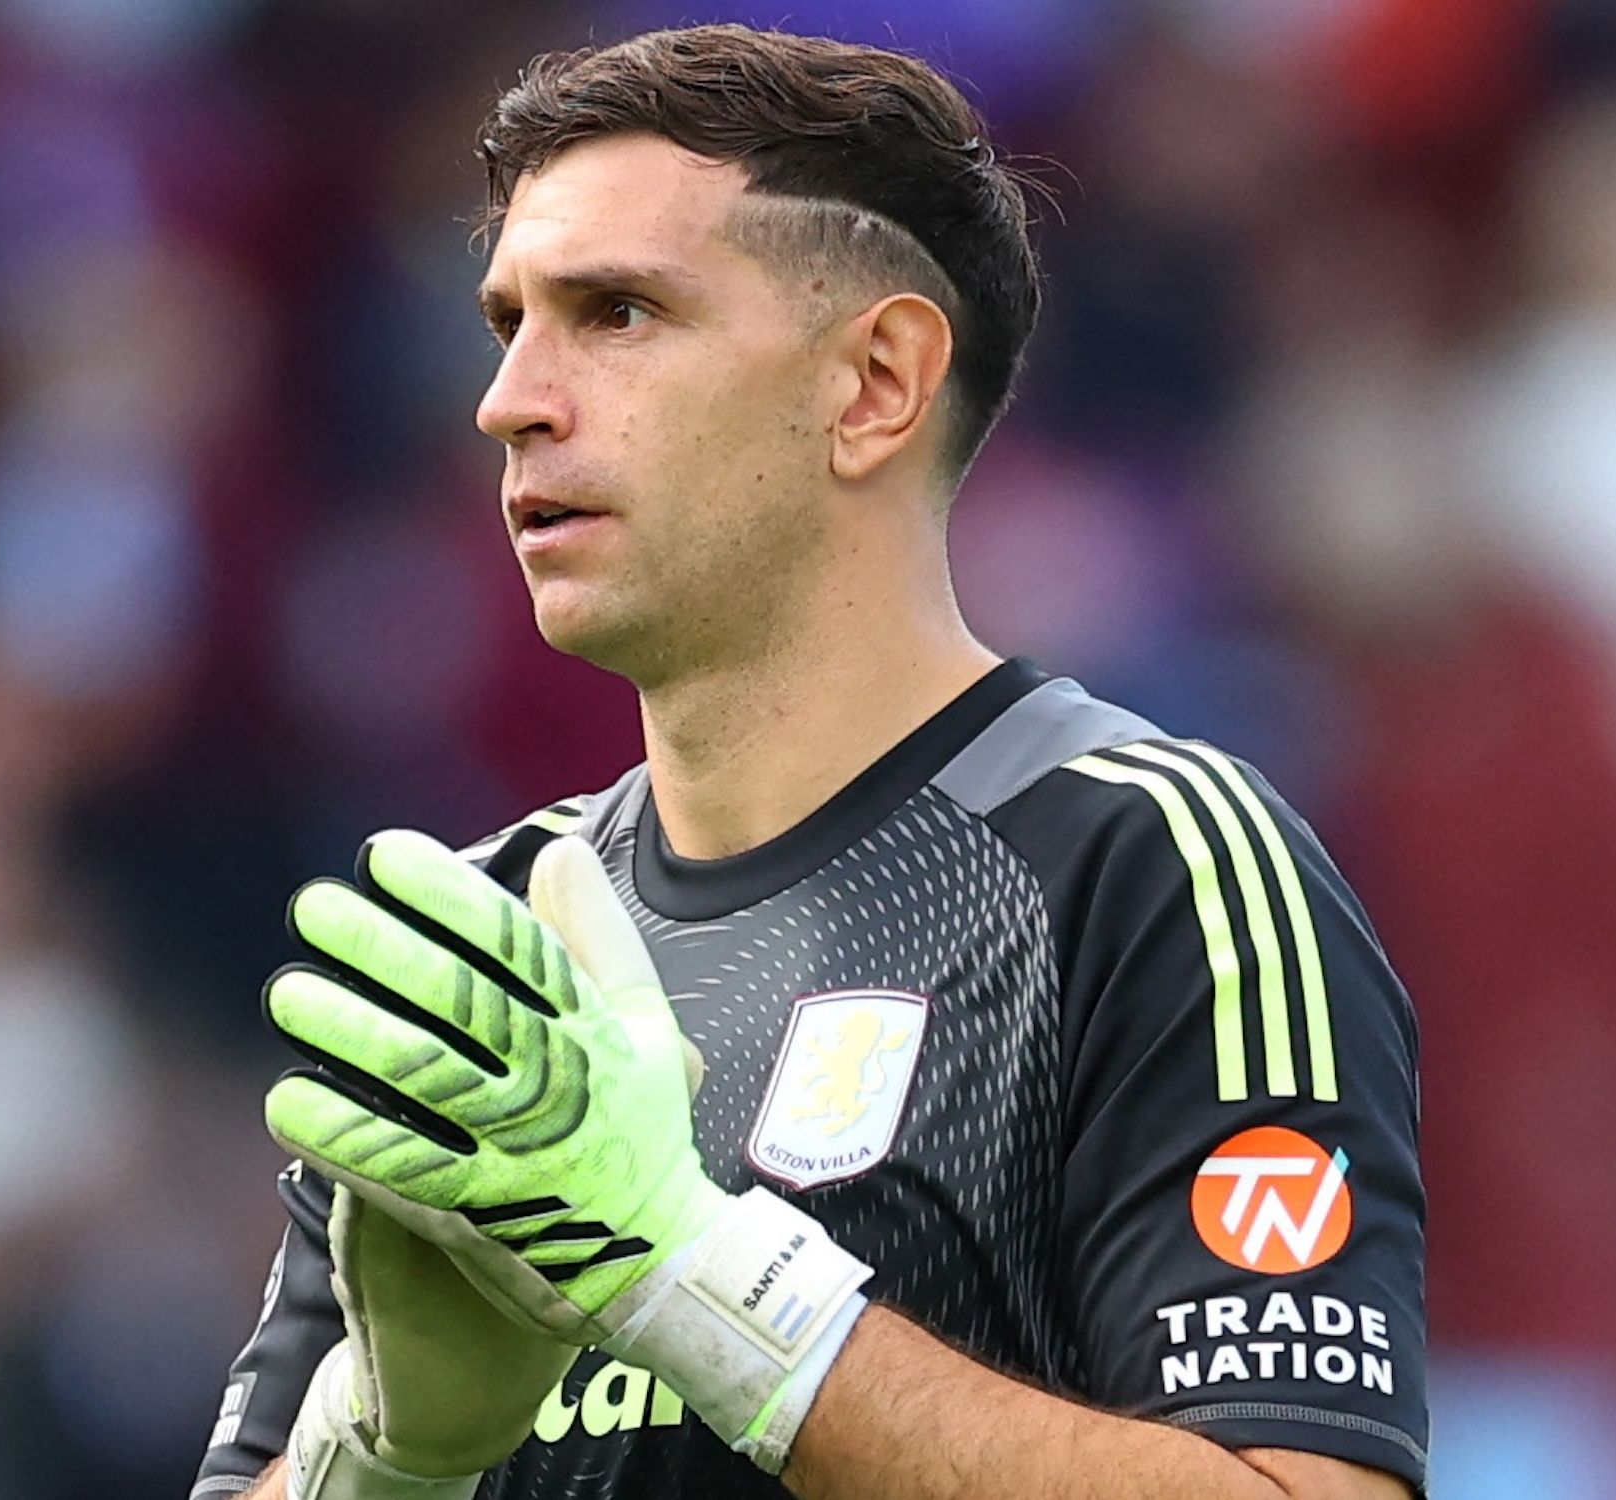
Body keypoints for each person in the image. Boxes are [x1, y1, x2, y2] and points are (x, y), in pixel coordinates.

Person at [190, 24, 1425, 1500]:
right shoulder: (483, 941)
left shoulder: (1151, 864)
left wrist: (693, 1279)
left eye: (620, 313)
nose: (510, 397)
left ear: (876, 384)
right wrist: (386, 1456)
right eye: (508, 321)